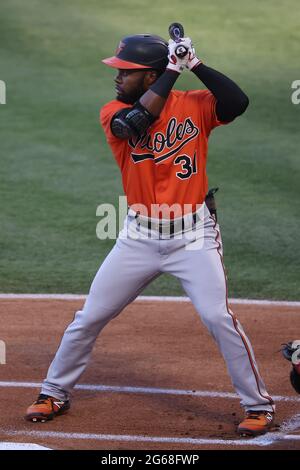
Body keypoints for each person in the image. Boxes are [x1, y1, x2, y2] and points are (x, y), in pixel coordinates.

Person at [25, 32, 275, 437]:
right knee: (88, 317)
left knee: (218, 317)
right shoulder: (112, 112)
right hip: (138, 237)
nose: (117, 76)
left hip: (194, 235)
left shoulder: (194, 106)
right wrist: (172, 71)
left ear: (150, 76)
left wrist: (194, 64)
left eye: (127, 71)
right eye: (119, 70)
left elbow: (238, 102)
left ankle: (259, 405)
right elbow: (133, 124)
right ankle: (53, 391)